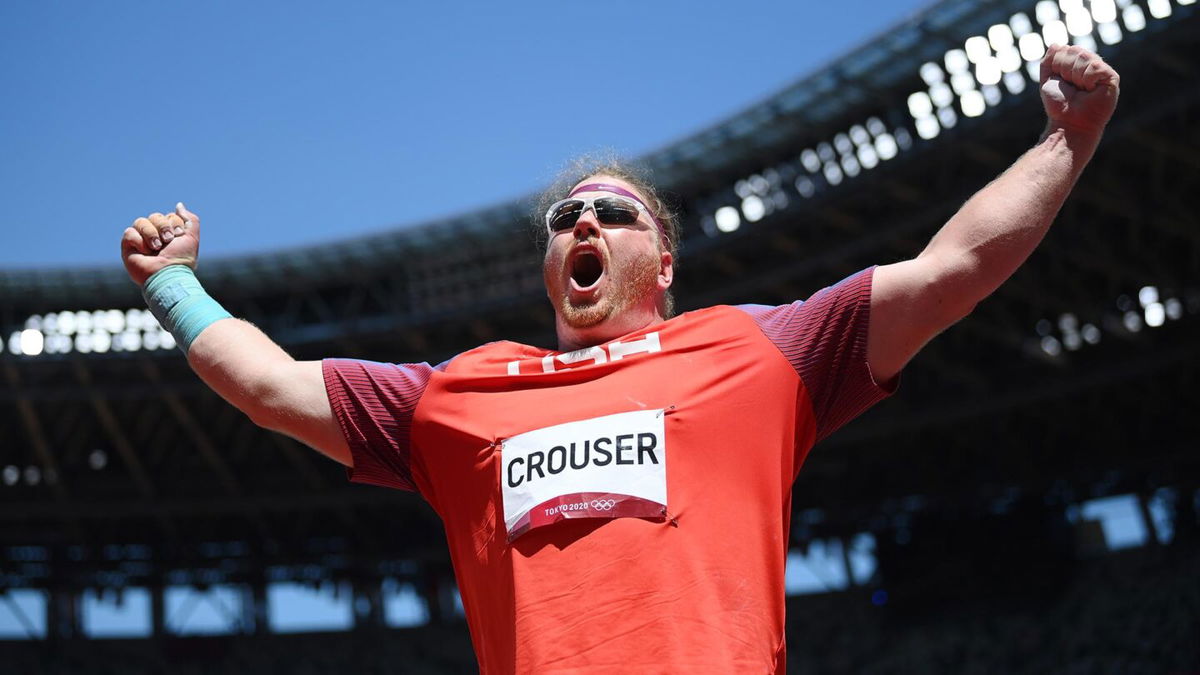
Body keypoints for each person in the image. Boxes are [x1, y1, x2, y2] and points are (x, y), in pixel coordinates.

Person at [120, 44, 1118, 673]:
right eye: (566, 216)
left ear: (664, 261)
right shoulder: (458, 397)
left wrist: (1065, 145)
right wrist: (174, 284)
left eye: (613, 210)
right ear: (554, 259)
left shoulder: (758, 349)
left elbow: (952, 270)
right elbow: (265, 385)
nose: (585, 218)